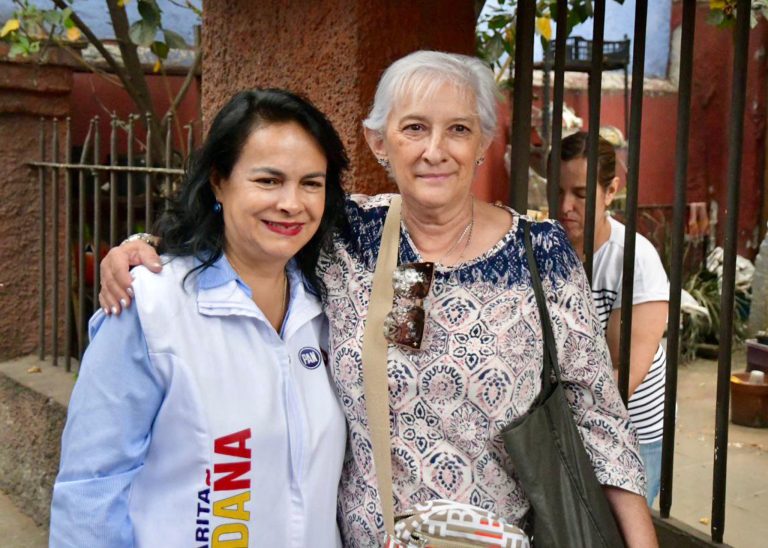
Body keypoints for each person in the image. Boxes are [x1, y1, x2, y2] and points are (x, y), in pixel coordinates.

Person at [99, 51, 658, 547]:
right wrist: (146, 249)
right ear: (378, 142)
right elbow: (252, 232)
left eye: (458, 129)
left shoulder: (542, 254)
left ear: (483, 144)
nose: (435, 150)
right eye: (414, 127)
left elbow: (600, 421)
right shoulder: (345, 235)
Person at [50, 89, 349, 547]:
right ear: (218, 182)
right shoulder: (150, 306)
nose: (292, 203)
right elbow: (91, 485)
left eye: (311, 183)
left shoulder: (330, 301)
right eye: (268, 180)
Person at [557, 131, 670, 507]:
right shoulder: (545, 250)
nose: (565, 206)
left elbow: (624, 375)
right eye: (558, 191)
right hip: (570, 424)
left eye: (581, 194)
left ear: (611, 192)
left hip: (633, 430)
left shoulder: (634, 259)